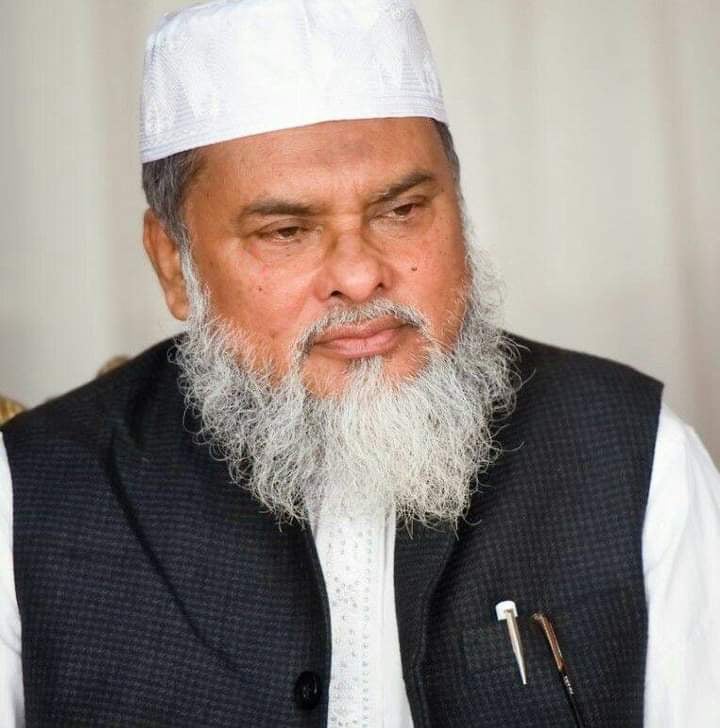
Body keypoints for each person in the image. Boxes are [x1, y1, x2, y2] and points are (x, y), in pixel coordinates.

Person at [1, 1, 718, 726]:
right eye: (287, 231)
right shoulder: (25, 495)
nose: (360, 275)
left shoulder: (632, 453)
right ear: (172, 263)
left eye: (402, 211)